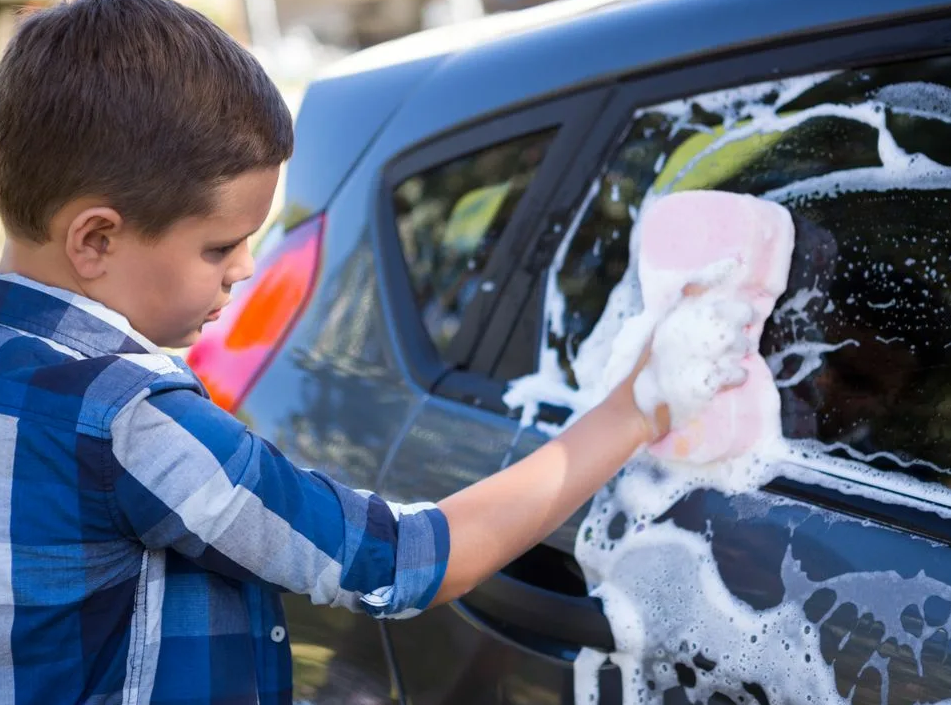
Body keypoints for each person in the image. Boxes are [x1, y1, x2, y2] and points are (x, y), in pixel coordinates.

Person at [0, 1, 745, 703]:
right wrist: (632, 410)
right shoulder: (135, 422)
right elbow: (401, 559)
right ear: (96, 238)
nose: (245, 268)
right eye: (219, 245)